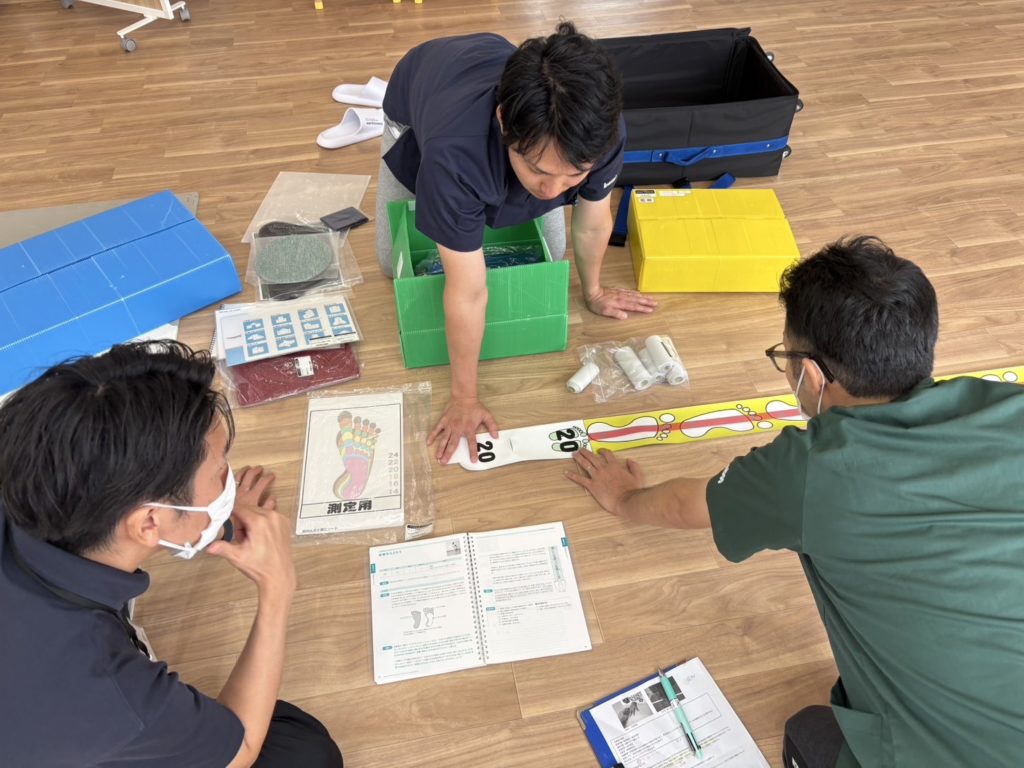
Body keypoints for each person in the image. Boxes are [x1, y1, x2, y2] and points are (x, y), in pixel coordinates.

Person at [565, 236, 1024, 768]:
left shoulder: (813, 469)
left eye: (784, 358)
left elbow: (687, 505)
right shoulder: (1010, 408)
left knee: (809, 732)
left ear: (810, 374)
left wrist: (624, 497)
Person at [0, 341, 343, 768]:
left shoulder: (26, 474)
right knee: (303, 753)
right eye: (219, 471)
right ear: (149, 523)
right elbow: (239, 752)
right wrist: (277, 589)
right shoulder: (111, 692)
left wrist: (204, 518)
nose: (229, 479)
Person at [377, 22, 657, 465]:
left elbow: (591, 221)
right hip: (418, 99)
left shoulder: (600, 131)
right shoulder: (453, 154)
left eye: (574, 174)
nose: (553, 191)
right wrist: (465, 399)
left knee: (555, 250)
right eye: (539, 171)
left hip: (488, 66)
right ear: (504, 120)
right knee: (389, 261)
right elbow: (468, 292)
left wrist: (594, 292)